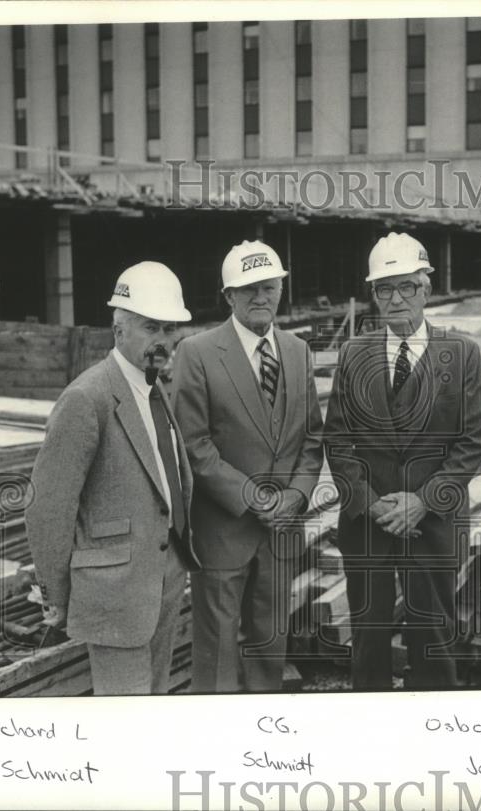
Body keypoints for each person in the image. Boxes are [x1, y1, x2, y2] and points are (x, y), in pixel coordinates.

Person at [323, 232, 481, 690]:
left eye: (407, 287)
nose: (396, 299)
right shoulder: (354, 355)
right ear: (372, 294)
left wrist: (422, 502)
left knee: (432, 635)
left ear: (427, 290)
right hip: (367, 525)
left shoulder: (461, 355)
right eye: (384, 288)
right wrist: (373, 504)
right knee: (369, 637)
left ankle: (433, 723)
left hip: (432, 525)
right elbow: (338, 441)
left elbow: (472, 443)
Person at [25, 261, 199, 695]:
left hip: (163, 579)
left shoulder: (153, 388)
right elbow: (48, 507)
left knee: (153, 702)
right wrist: (59, 598)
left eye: (170, 328)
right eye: (151, 327)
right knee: (125, 722)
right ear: (118, 329)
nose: (163, 340)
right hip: (113, 595)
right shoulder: (88, 398)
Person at [172, 240, 324, 692]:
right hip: (225, 529)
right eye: (249, 288)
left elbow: (312, 438)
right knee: (217, 648)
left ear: (281, 289)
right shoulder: (197, 352)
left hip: (281, 533)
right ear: (228, 296)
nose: (261, 297)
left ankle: (261, 725)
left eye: (269, 286)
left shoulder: (297, 351)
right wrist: (253, 497)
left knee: (270, 641)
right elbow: (194, 444)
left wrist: (295, 497)